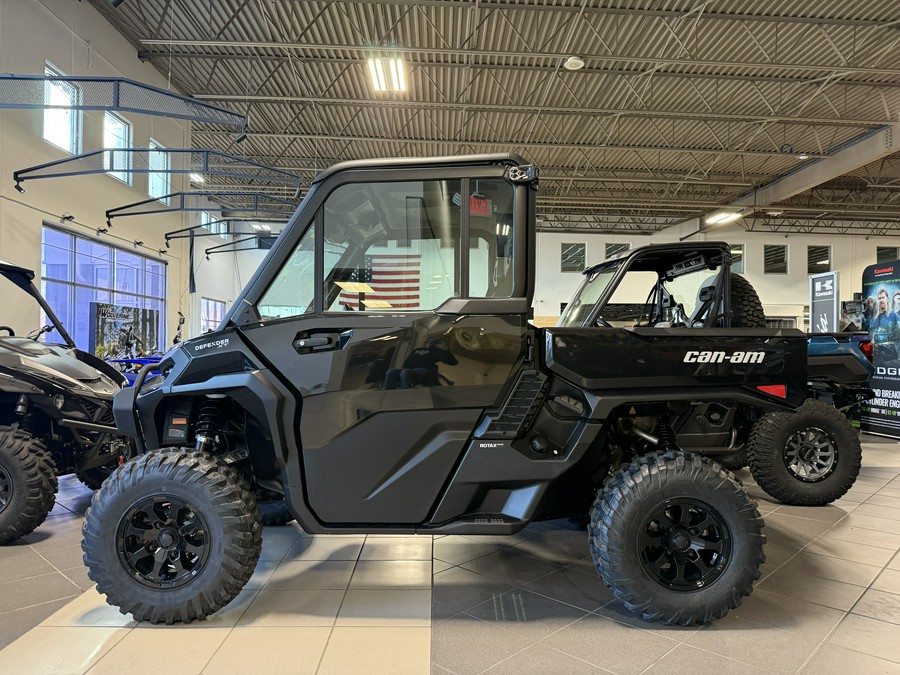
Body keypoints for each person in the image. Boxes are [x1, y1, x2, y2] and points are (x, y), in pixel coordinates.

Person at [384, 338, 458, 389]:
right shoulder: (418, 349)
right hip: (409, 368)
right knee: (391, 372)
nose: (432, 344)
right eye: (431, 343)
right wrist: (404, 366)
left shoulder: (437, 352)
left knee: (405, 372)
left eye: (435, 343)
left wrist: (446, 350)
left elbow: (453, 362)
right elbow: (409, 359)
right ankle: (388, 393)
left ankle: (406, 393)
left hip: (425, 369)